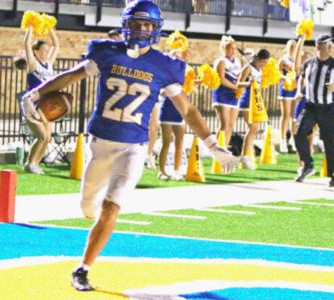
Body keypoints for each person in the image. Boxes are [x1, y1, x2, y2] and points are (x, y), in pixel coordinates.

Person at [20, 0, 238, 291]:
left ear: (157, 29)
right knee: (87, 208)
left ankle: (83, 269)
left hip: (133, 148)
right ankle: (90, 220)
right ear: (126, 25)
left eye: (147, 25)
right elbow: (71, 75)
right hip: (100, 144)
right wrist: (35, 95)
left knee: (112, 208)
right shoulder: (106, 52)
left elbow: (187, 109)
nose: (141, 30)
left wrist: (212, 143)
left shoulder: (165, 65)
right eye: (136, 23)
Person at [293, 34, 334, 187]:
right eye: (323, 44)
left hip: (328, 108)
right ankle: (308, 165)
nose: (329, 47)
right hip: (311, 106)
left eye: (329, 44)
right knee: (298, 134)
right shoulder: (309, 63)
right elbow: (301, 77)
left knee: (328, 141)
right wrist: (299, 90)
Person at [23, 27, 60, 174]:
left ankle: (35, 164)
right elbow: (27, 44)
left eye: (47, 51)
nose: (46, 53)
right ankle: (30, 163)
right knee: (42, 136)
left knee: (48, 138)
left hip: (46, 105)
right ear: (36, 52)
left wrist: (49, 28)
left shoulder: (49, 64)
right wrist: (31, 28)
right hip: (32, 106)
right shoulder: (33, 64)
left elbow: (56, 45)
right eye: (43, 51)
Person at [157, 49, 193, 180]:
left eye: (179, 57)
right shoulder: (165, 74)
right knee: (166, 141)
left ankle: (177, 170)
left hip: (180, 109)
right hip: (167, 109)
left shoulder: (186, 72)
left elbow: (189, 89)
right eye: (175, 57)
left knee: (179, 142)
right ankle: (161, 171)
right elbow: (161, 91)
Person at [236, 49, 271, 170]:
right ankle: (244, 157)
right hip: (247, 100)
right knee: (253, 128)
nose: (264, 65)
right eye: (263, 62)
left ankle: (245, 157)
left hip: (256, 100)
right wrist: (248, 84)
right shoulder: (248, 68)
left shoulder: (258, 69)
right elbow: (238, 83)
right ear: (259, 59)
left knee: (254, 129)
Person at [212, 35, 241, 147]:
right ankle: (217, 151)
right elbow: (221, 80)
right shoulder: (221, 61)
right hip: (222, 95)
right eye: (230, 48)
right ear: (224, 48)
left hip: (233, 96)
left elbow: (239, 77)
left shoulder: (237, 61)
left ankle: (224, 149)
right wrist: (236, 87)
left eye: (234, 48)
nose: (233, 50)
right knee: (224, 125)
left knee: (230, 126)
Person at [277, 37, 304, 153]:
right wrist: (285, 78)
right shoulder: (283, 60)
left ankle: (293, 140)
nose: (293, 48)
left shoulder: (298, 60)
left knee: (294, 116)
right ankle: (283, 140)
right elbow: (277, 75)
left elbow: (300, 74)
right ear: (287, 47)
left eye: (295, 46)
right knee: (286, 115)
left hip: (295, 89)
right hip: (285, 89)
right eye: (291, 46)